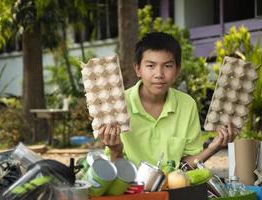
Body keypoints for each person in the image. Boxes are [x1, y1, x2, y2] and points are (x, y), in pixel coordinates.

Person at [98, 32, 237, 169]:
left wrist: (213, 148)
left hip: (173, 187)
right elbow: (114, 168)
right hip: (130, 187)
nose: (159, 74)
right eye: (151, 66)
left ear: (177, 70)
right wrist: (115, 150)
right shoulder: (117, 105)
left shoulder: (187, 105)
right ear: (138, 69)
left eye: (168, 66)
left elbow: (185, 166)